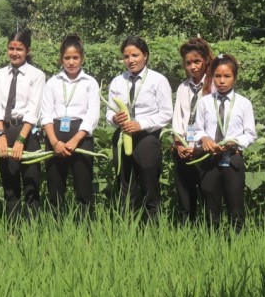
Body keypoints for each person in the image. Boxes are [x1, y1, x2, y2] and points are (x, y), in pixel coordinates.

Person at [106, 36, 172, 222]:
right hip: (122, 136)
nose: (130, 60)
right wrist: (115, 118)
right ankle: (127, 225)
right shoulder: (117, 81)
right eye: (126, 56)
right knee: (125, 184)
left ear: (146, 56)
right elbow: (108, 114)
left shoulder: (158, 80)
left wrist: (140, 124)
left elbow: (166, 113)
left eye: (135, 55)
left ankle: (152, 226)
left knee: (149, 183)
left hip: (147, 138)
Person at [194, 53, 257, 232]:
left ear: (235, 78)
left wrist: (234, 142)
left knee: (235, 204)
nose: (222, 81)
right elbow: (196, 128)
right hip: (209, 159)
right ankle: (211, 241)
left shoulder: (244, 104)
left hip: (233, 158)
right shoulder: (204, 103)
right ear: (212, 77)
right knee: (210, 205)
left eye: (227, 76)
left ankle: (236, 244)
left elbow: (250, 134)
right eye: (218, 76)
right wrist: (204, 138)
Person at [41, 35, 100, 215]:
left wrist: (75, 140)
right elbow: (46, 114)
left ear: (82, 58)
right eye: (67, 58)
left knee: (83, 187)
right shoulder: (52, 83)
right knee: (55, 187)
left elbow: (92, 115)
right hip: (55, 134)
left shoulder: (90, 83)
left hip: (81, 136)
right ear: (61, 59)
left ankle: (86, 230)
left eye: (75, 57)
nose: (71, 62)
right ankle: (56, 227)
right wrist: (54, 142)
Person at [0, 30, 45, 221]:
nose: (15, 53)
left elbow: (34, 109)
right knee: (10, 185)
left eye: (19, 49)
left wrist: (22, 139)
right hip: (5, 131)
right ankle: (12, 230)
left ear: (27, 50)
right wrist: (0, 134)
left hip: (27, 133)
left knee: (31, 184)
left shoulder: (36, 75)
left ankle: (32, 231)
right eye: (11, 48)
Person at [171, 37, 214, 224]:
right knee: (185, 197)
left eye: (197, 61)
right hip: (184, 149)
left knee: (208, 194)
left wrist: (198, 146)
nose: (193, 67)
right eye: (188, 63)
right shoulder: (183, 87)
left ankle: (209, 232)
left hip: (205, 149)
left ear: (205, 60)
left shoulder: (214, 86)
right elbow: (178, 118)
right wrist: (179, 143)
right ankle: (185, 233)